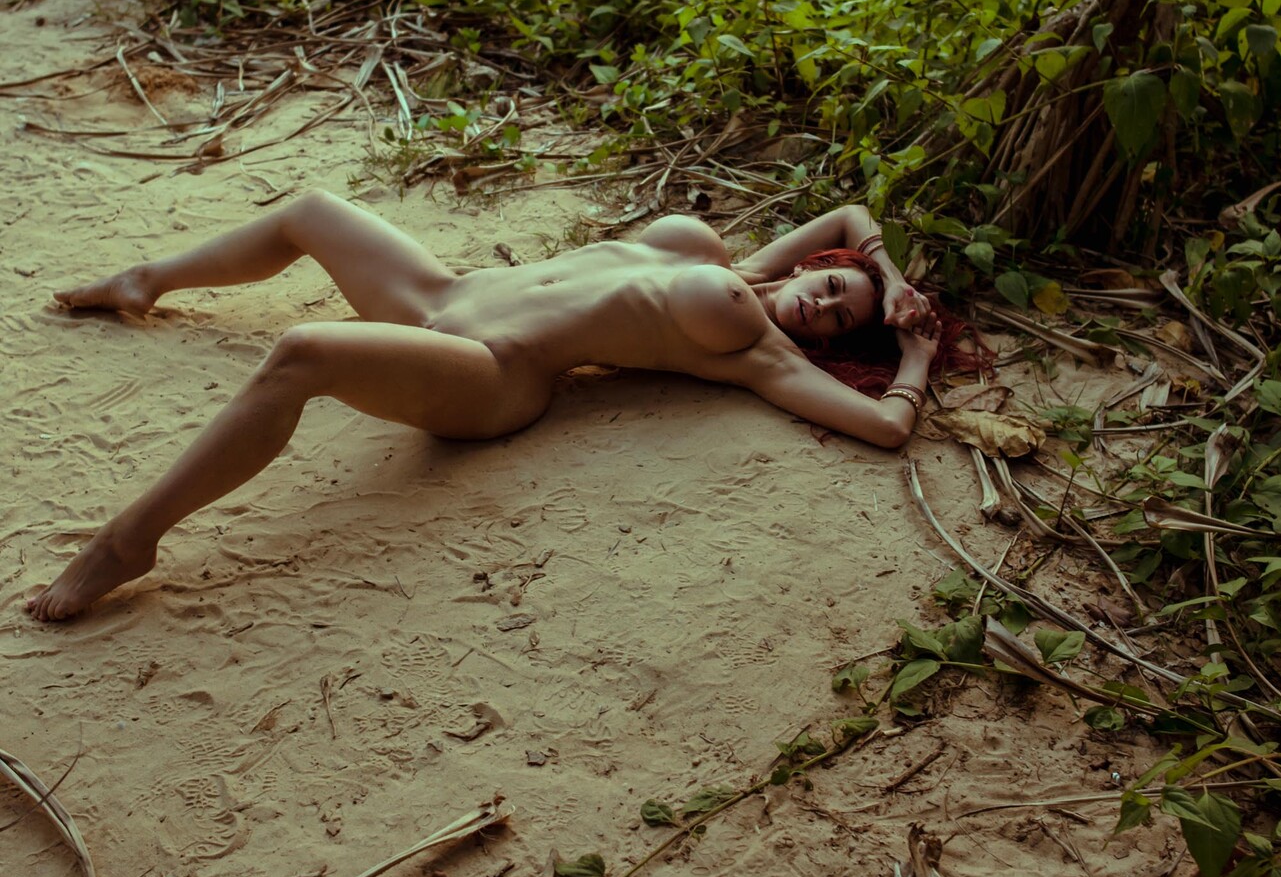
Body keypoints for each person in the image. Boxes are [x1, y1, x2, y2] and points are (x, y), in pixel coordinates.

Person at [25, 192, 983, 621]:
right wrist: (892, 279)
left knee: (304, 352)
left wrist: (911, 350)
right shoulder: (733, 260)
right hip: (441, 297)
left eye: (837, 322)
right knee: (310, 209)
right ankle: (146, 279)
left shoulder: (756, 353)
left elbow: (886, 427)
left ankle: (130, 541)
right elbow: (853, 214)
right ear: (816, 266)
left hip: (488, 368)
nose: (821, 309)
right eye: (831, 288)